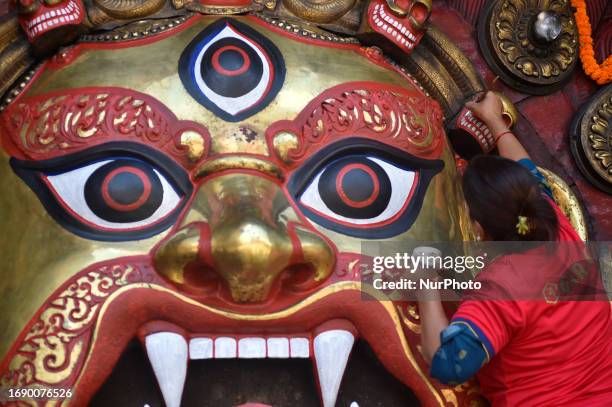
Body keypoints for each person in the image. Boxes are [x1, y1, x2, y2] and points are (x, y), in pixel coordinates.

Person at [417, 91, 612, 406]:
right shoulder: (554, 225)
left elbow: (448, 364)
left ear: (478, 228)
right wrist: (496, 123)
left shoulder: (501, 289)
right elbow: (528, 170)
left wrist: (425, 282)